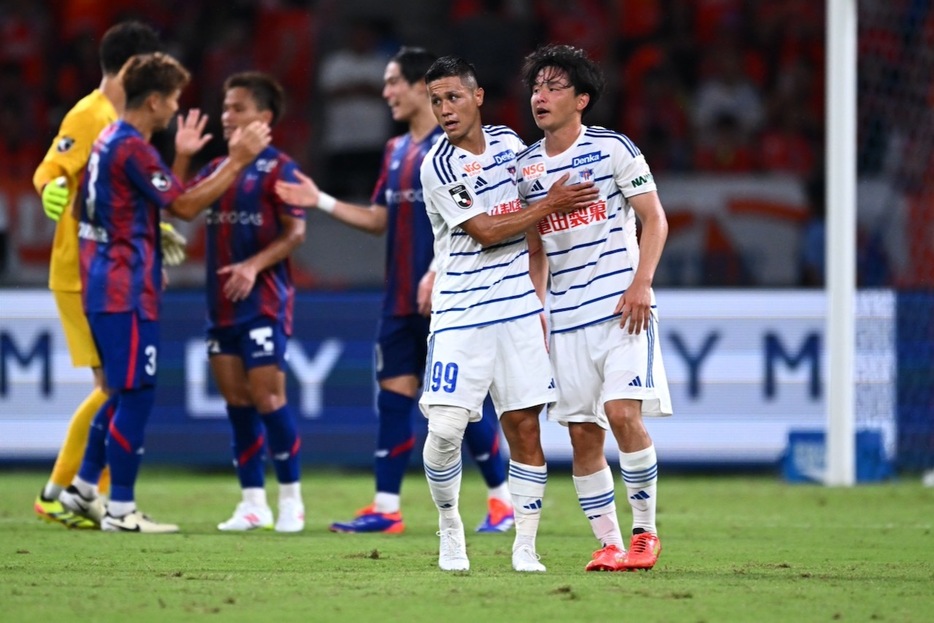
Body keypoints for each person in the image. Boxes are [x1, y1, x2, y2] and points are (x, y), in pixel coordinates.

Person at [275, 47, 514, 535]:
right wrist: (318, 199)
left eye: (391, 83)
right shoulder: (396, 150)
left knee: (461, 405)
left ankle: (501, 502)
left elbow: (471, 225)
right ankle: (386, 508)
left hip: (449, 294)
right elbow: (380, 219)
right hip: (399, 297)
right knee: (393, 401)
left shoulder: (452, 153)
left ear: (415, 88)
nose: (385, 93)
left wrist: (435, 271)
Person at [58, 52, 271, 533]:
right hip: (124, 288)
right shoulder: (131, 146)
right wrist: (238, 160)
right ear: (153, 100)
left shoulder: (109, 140)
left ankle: (85, 488)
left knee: (118, 389)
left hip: (105, 281)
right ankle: (121, 510)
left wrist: (145, 243)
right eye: (173, 100)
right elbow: (185, 204)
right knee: (137, 392)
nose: (176, 109)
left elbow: (88, 213)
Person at [418, 56, 599, 572]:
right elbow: (488, 232)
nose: (444, 109)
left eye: (452, 97)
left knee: (524, 428)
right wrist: (552, 205)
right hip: (459, 314)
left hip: (517, 311)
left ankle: (525, 545)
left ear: (476, 97)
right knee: (447, 429)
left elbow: (541, 205)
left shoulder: (509, 146)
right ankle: (450, 526)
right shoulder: (439, 166)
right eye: (435, 101)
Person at [516, 44, 672, 571]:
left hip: (621, 308)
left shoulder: (613, 150)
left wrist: (641, 284)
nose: (541, 96)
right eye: (537, 87)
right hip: (564, 318)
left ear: (581, 99)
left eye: (554, 87)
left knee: (621, 413)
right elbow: (535, 248)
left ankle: (645, 535)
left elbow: (655, 218)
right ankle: (608, 543)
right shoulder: (526, 168)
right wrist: (536, 309)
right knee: (583, 432)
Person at [31, 20, 161, 529]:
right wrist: (48, 191)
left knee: (116, 385)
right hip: (81, 270)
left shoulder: (115, 118)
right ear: (131, 68)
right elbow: (49, 168)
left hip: (104, 269)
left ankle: (87, 492)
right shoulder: (91, 115)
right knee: (115, 387)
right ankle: (60, 490)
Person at [176, 71, 307, 533]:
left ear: (263, 117)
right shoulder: (216, 168)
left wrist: (253, 266)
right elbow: (180, 205)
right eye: (225, 107)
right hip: (221, 304)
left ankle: (291, 498)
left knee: (268, 396)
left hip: (264, 302)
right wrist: (183, 157)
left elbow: (297, 232)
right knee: (236, 402)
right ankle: (253, 502)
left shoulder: (280, 168)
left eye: (237, 108)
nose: (227, 116)